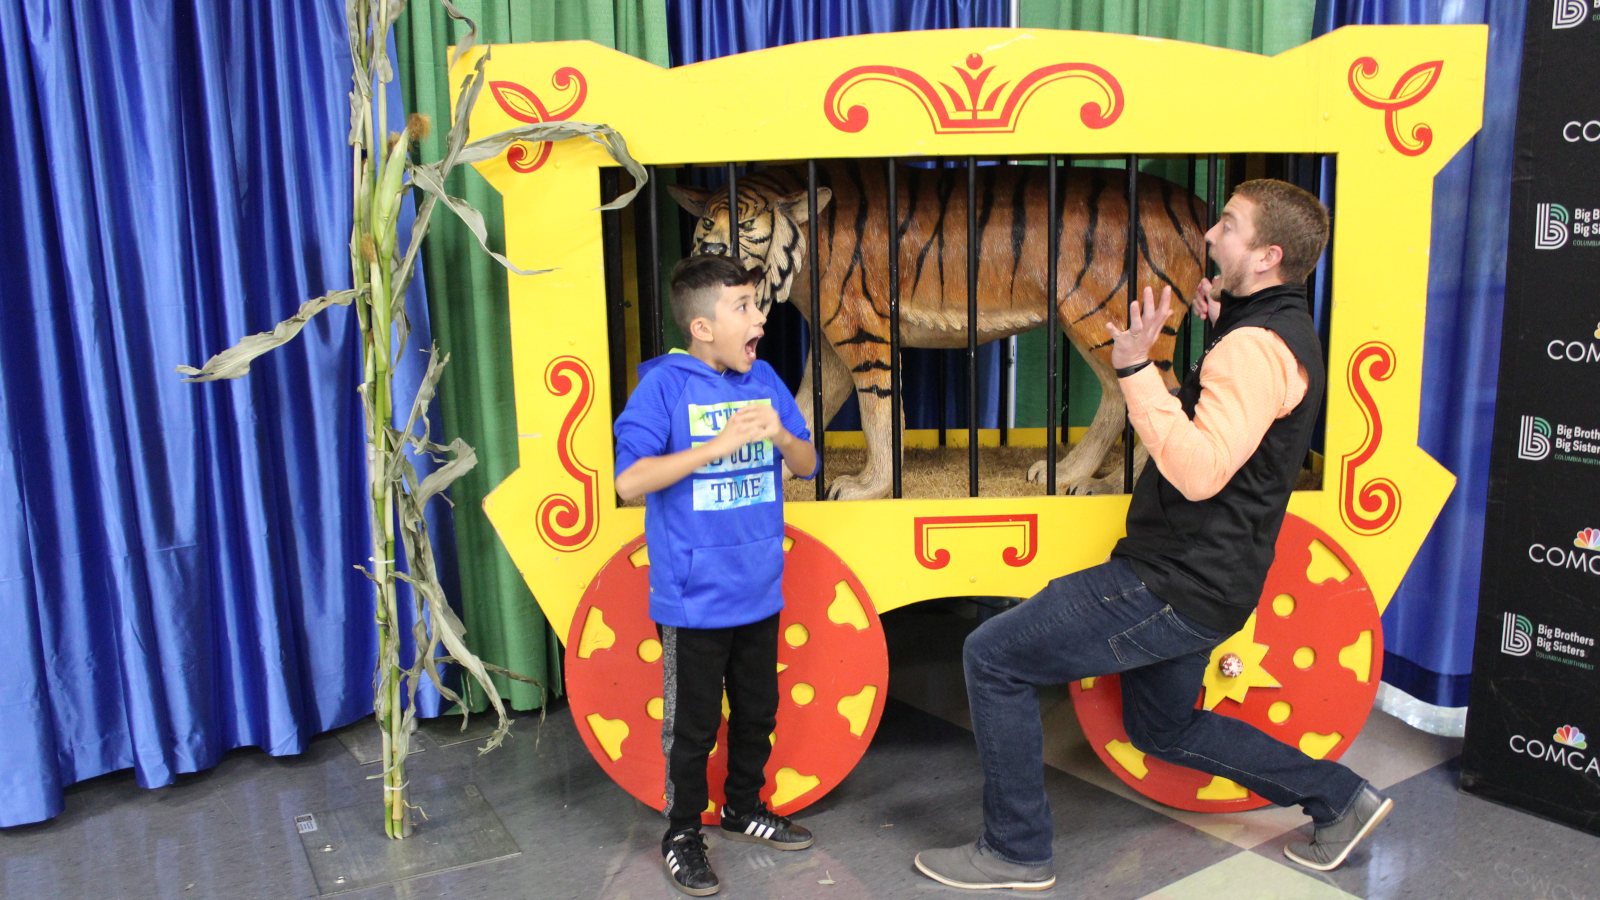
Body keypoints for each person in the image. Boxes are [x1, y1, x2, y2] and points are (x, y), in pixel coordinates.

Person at [914, 179, 1392, 891]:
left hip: (1174, 581)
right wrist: (1222, 321)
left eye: (1227, 226)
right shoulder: (1270, 329)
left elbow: (1200, 471)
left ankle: (1015, 850)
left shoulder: (1254, 350)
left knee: (993, 656)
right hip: (1212, 579)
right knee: (1162, 730)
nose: (1209, 235)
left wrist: (1136, 369)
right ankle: (1340, 799)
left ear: (1266, 255)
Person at [614, 254, 820, 897]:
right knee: (694, 726)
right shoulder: (663, 388)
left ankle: (743, 809)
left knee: (759, 710)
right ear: (702, 327)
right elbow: (628, 484)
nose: (760, 318)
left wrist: (782, 441)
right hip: (693, 601)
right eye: (745, 307)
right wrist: (711, 449)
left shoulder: (764, 379)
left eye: (757, 306)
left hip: (760, 588)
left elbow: (809, 463)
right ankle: (682, 833)